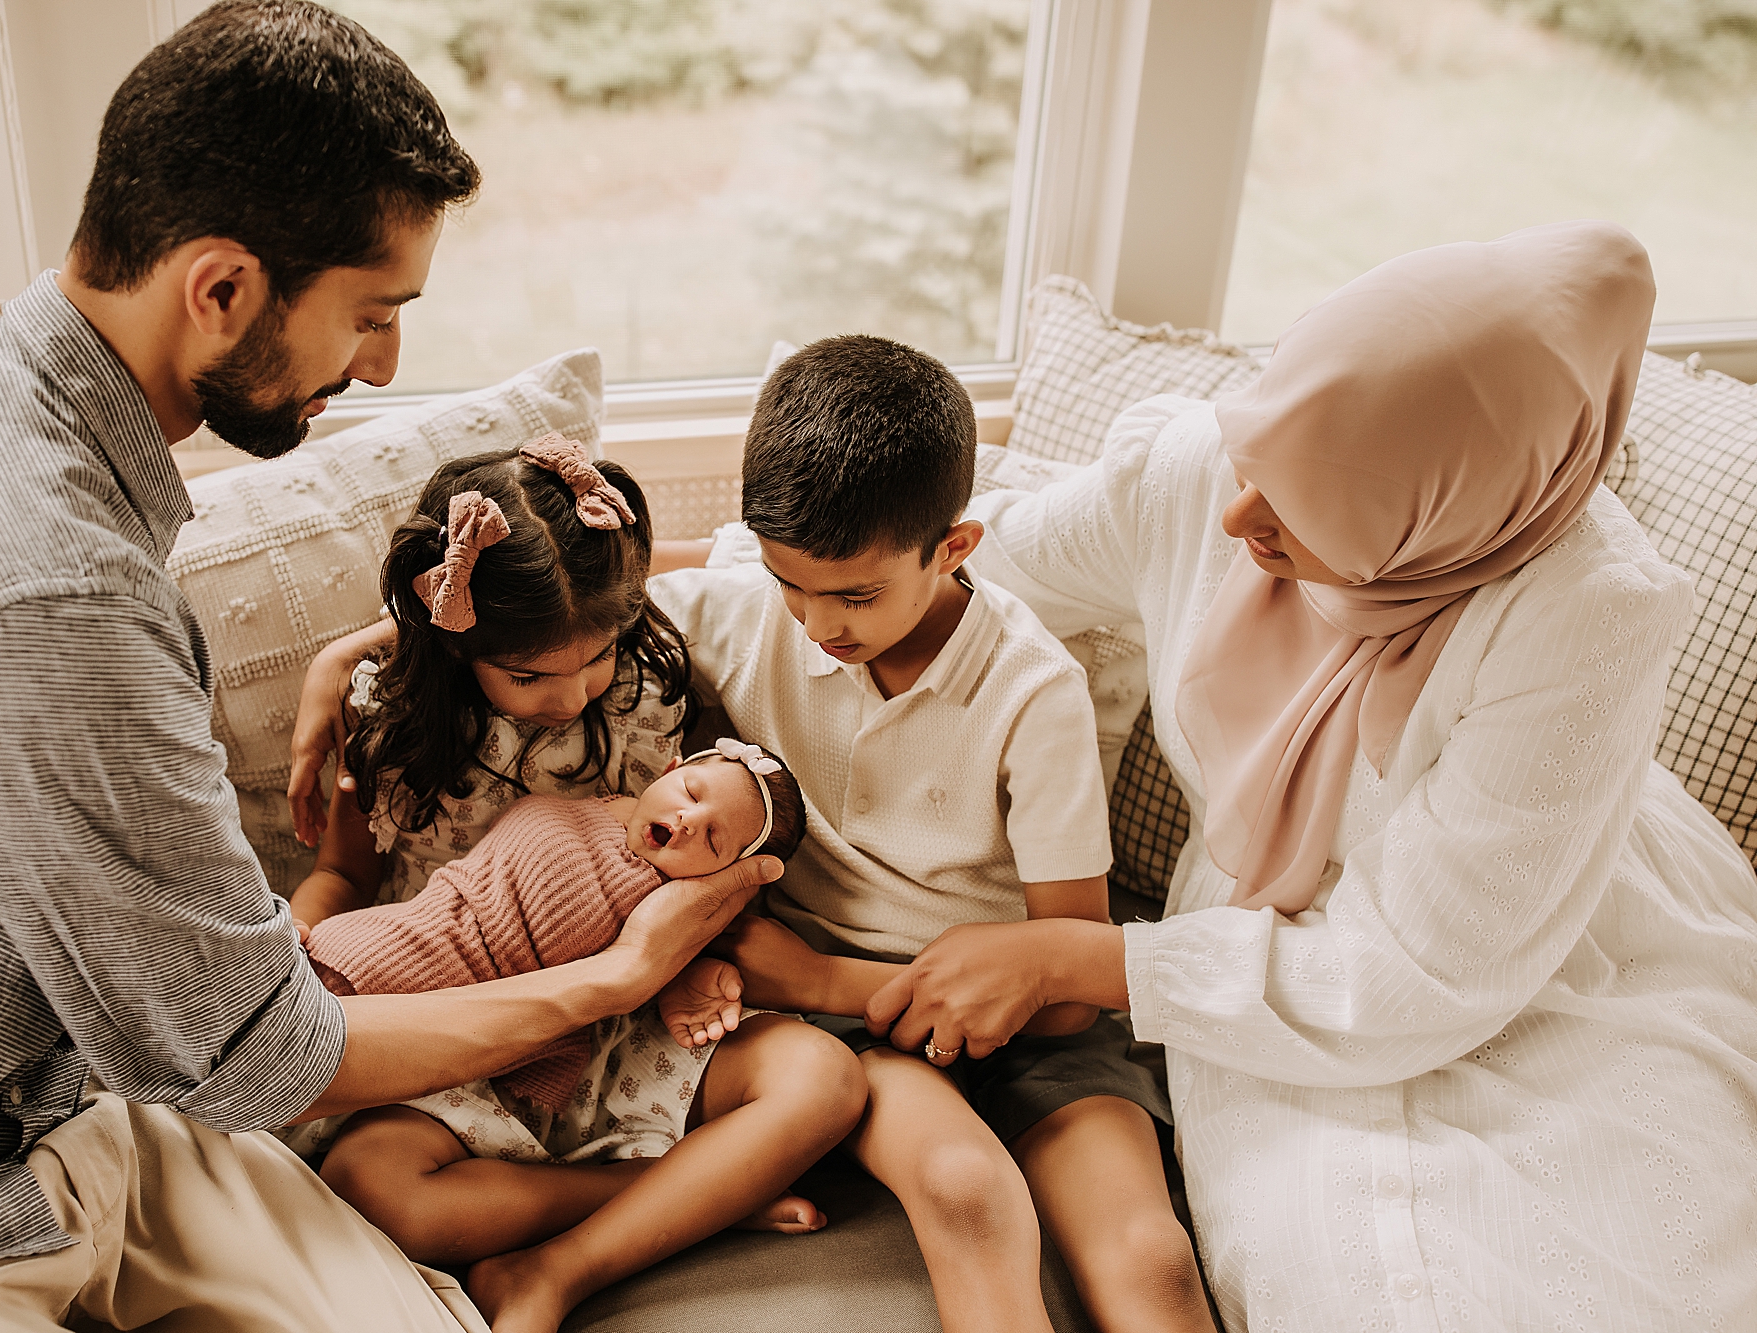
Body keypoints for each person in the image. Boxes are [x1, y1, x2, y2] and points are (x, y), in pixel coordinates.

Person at [0, 5, 780, 1332]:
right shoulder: (43, 580)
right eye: (371, 313)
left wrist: (390, 643)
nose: (385, 364)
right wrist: (618, 976)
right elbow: (254, 1055)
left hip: (59, 1112)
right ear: (223, 287)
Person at [870, 221, 1757, 1327]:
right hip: (1261, 940)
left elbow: (1410, 973)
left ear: (1440, 518)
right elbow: (947, 573)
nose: (1238, 519)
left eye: (1302, 509)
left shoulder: (1587, 614)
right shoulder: (1207, 473)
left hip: (1541, 942)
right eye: (1253, 467)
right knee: (1346, 1279)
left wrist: (1071, 960)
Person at [651, 336, 1216, 1333]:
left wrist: (831, 981)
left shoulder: (1032, 691)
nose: (816, 623)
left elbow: (1065, 1000)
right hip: (842, 1023)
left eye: (855, 596)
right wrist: (351, 649)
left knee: (1150, 1258)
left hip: (1010, 1010)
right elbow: (555, 603)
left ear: (954, 547)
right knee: (962, 1186)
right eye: (791, 583)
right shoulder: (745, 615)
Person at [288, 445, 864, 1333]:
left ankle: (553, 1268)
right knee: (378, 1190)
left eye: (591, 659)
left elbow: (719, 567)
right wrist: (294, 950)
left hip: (620, 1030)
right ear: (456, 644)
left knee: (822, 1079)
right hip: (444, 1033)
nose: (569, 696)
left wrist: (704, 975)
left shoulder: (645, 692)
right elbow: (339, 872)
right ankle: (668, 1193)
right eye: (528, 677)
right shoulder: (395, 725)